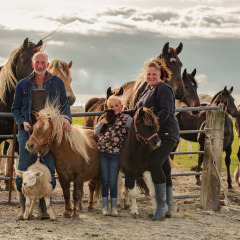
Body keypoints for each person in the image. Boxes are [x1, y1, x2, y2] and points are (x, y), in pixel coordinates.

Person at [12, 52, 72, 220]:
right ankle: (23, 207)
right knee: (24, 168)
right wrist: (23, 121)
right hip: (28, 131)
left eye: (43, 62)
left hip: (48, 133)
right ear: (33, 64)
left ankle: (45, 207)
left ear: (47, 64)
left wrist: (67, 119)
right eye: (37, 62)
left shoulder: (57, 82)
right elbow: (15, 108)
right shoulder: (23, 85)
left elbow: (64, 105)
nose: (40, 65)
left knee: (49, 169)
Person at [124, 58, 180, 221]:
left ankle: (161, 207)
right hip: (156, 133)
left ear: (160, 74)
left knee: (155, 163)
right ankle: (168, 207)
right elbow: (136, 110)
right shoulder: (148, 90)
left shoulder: (163, 88)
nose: (151, 77)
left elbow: (166, 110)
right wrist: (121, 113)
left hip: (167, 132)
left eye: (154, 74)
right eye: (148, 74)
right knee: (164, 167)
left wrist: (153, 127)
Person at [94, 95, 132, 217]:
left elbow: (131, 132)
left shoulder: (126, 119)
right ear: (107, 107)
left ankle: (114, 208)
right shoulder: (105, 118)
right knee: (104, 180)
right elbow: (96, 132)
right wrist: (101, 123)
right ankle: (105, 208)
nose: (114, 108)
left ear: (121, 107)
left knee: (113, 180)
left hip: (116, 154)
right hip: (103, 153)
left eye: (116, 106)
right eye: (111, 106)